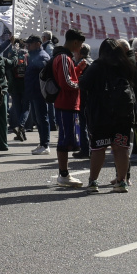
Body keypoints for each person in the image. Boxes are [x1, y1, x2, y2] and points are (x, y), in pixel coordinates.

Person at [82, 39, 137, 192]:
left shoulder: (96, 66)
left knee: (98, 148)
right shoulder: (125, 66)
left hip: (101, 115)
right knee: (121, 148)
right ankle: (121, 181)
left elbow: (84, 85)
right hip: (123, 114)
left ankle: (93, 182)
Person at [50, 30, 86, 186]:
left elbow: (68, 78)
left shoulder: (65, 57)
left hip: (68, 103)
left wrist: (78, 69)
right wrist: (81, 85)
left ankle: (64, 174)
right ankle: (63, 174)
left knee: (67, 138)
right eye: (81, 43)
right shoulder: (64, 58)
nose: (81, 47)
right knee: (64, 139)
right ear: (75, 42)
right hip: (66, 103)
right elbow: (66, 82)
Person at [22, 35, 52, 153]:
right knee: (37, 119)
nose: (28, 46)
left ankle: (45, 144)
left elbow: (45, 75)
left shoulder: (42, 56)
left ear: (38, 44)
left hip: (39, 93)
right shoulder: (34, 55)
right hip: (33, 92)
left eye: (30, 43)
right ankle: (42, 143)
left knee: (42, 118)